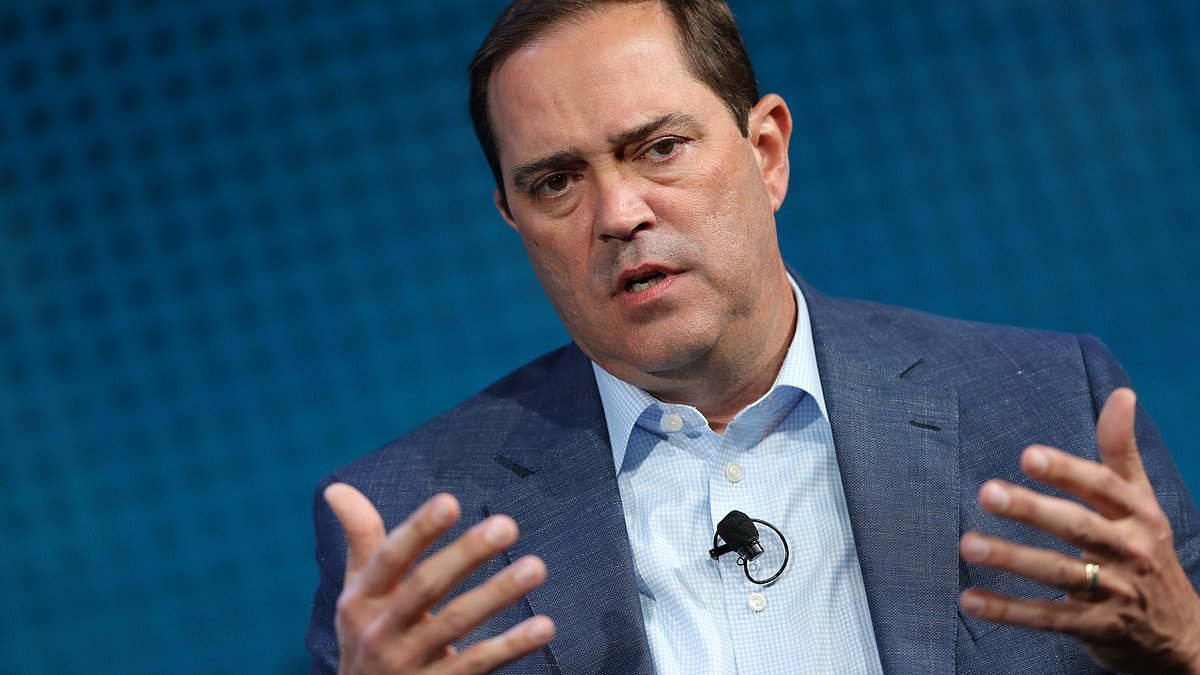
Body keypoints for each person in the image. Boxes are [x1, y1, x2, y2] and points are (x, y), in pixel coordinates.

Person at [306, 0, 1200, 672]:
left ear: (766, 151)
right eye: (556, 182)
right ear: (513, 218)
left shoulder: (1048, 407)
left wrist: (1183, 646)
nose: (617, 213)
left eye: (659, 147)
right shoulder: (404, 533)